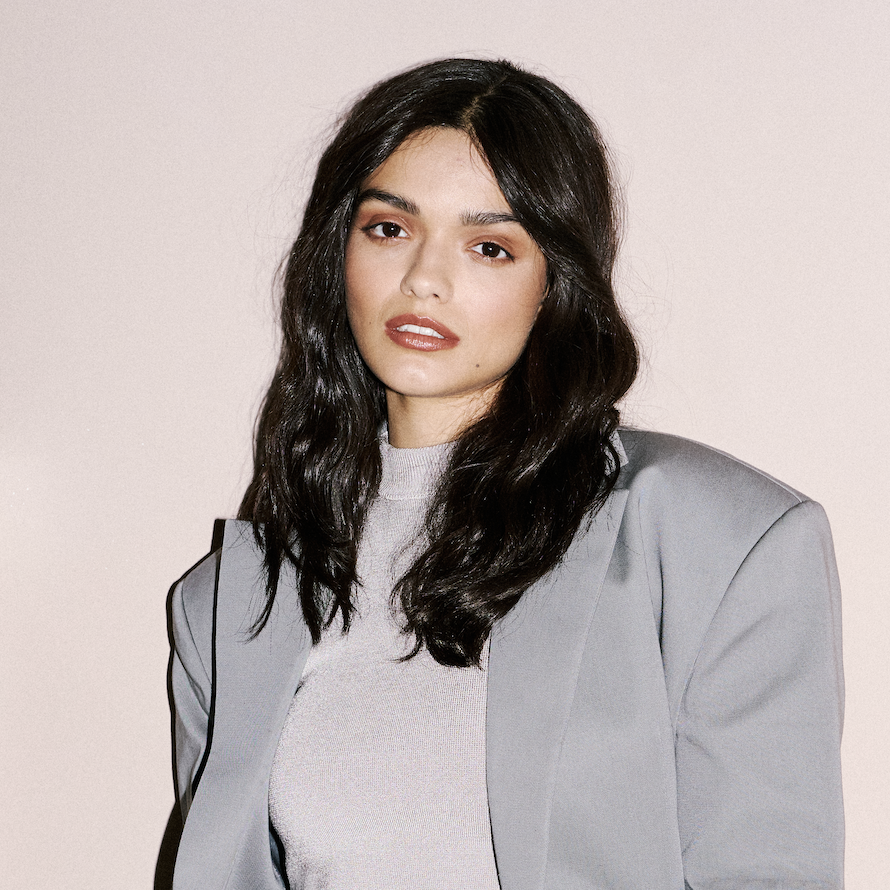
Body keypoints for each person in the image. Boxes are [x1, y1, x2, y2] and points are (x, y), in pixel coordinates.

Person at [167, 58, 844, 890]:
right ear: (336, 249)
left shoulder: (720, 544)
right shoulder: (234, 603)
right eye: (389, 228)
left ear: (554, 283)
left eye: (489, 246)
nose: (424, 278)